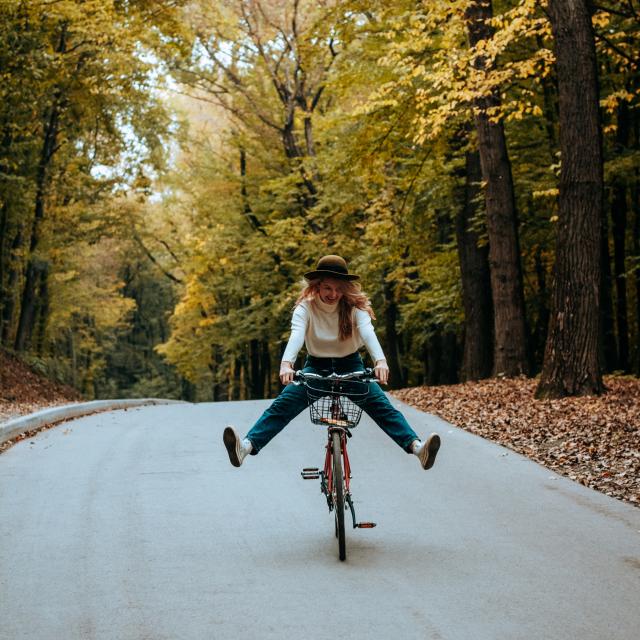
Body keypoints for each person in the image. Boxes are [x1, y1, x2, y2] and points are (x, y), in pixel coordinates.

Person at [223, 254, 441, 470]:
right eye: (328, 288)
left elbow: (368, 332)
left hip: (351, 366)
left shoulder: (356, 307)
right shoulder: (305, 308)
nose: (333, 294)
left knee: (382, 407)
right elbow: (297, 335)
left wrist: (380, 361)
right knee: (282, 406)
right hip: (316, 367)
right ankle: (246, 447)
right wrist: (286, 364)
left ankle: (417, 448)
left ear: (345, 288)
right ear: (317, 286)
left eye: (338, 288)